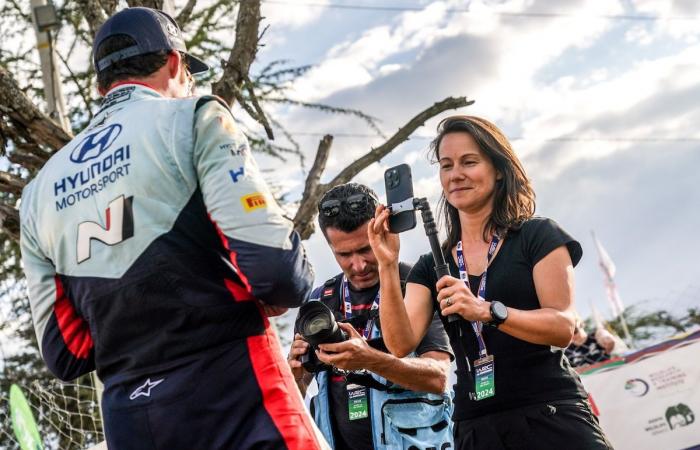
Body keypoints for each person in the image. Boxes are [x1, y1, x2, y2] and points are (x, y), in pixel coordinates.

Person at [20, 7, 325, 449]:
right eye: (189, 74)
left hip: (133, 417)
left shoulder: (37, 193)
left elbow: (65, 352)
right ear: (176, 64)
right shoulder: (196, 116)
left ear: (101, 85)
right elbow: (280, 274)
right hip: (238, 396)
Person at [368, 116, 613, 449]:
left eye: (469, 162)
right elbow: (399, 343)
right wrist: (386, 264)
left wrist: (487, 311)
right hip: (476, 427)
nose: (456, 174)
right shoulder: (431, 265)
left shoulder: (538, 235)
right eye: (446, 165)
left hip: (551, 413)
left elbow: (562, 326)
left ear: (498, 169)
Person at [287, 183, 454, 450]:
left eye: (365, 249)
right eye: (344, 254)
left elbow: (438, 377)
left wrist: (369, 360)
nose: (359, 264)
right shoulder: (321, 301)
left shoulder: (414, 284)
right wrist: (294, 375)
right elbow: (296, 394)